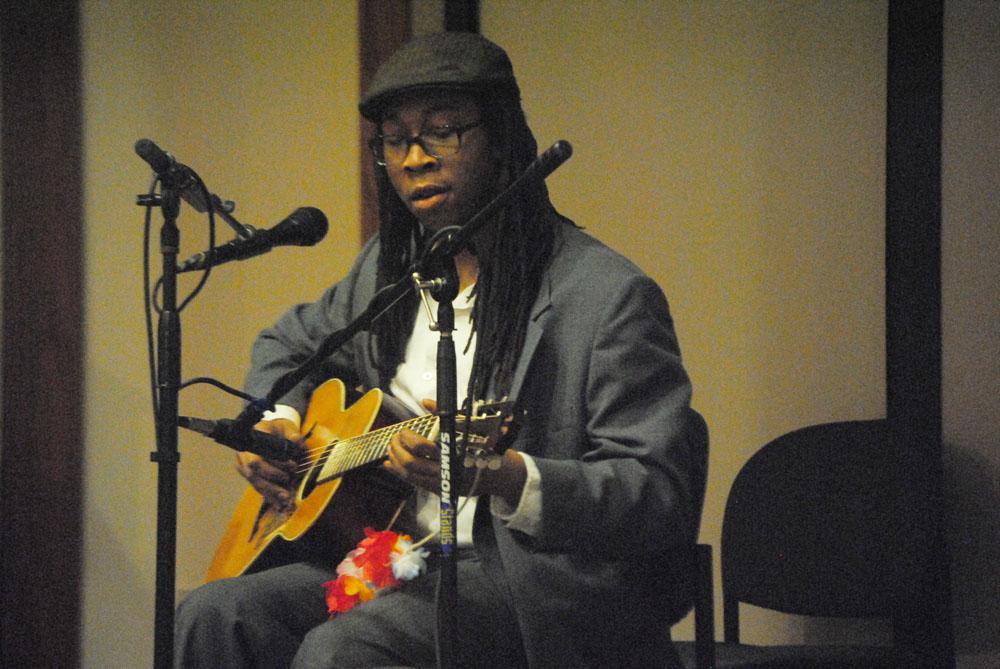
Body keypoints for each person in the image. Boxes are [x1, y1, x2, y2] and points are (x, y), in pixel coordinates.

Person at [175, 32, 707, 669]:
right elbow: (289, 344)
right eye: (395, 141)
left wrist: (506, 476)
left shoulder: (606, 296)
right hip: (391, 553)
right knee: (212, 615)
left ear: (503, 138)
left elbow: (657, 494)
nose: (415, 158)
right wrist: (279, 425)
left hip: (529, 586)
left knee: (343, 651)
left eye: (443, 131)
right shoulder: (390, 269)